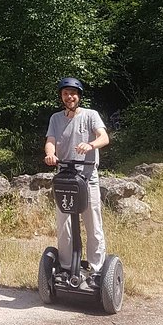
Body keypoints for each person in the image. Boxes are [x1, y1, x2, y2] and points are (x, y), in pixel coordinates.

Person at [44, 77, 110, 285]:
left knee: (92, 221)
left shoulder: (91, 115)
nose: (69, 97)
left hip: (87, 177)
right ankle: (65, 267)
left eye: (73, 93)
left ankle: (97, 269)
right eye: (65, 93)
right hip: (64, 177)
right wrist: (50, 154)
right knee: (63, 223)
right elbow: (50, 141)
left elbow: (104, 137)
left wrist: (90, 145)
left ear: (79, 96)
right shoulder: (55, 118)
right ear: (61, 97)